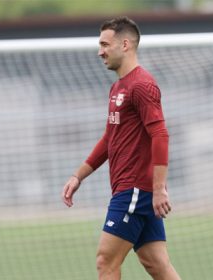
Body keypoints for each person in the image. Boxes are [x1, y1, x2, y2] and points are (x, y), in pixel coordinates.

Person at [61, 17, 181, 280]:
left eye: (105, 44)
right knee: (156, 264)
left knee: (106, 261)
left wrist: (159, 188)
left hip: (135, 189)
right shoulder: (118, 87)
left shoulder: (141, 84)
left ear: (125, 44)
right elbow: (109, 139)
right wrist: (77, 175)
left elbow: (160, 134)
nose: (100, 51)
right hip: (137, 191)